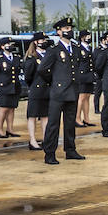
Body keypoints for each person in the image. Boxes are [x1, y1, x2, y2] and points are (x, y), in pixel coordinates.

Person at [40, 17, 86, 165]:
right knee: (53, 124)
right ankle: (50, 153)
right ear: (58, 32)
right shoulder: (54, 50)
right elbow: (42, 69)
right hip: (58, 92)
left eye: (70, 28)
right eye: (66, 29)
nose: (69, 31)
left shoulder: (76, 49)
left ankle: (70, 150)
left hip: (72, 91)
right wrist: (54, 82)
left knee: (70, 123)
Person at [0, 37, 22, 138]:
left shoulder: (16, 57)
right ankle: (0, 130)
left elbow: (18, 71)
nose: (10, 46)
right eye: (7, 44)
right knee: (3, 109)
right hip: (3, 87)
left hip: (14, 86)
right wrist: (0, 82)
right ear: (2, 46)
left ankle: (10, 129)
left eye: (11, 44)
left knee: (12, 108)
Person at [23, 33, 51, 151]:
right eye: (41, 40)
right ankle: (32, 140)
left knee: (45, 116)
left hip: (47, 89)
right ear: (35, 42)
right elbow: (28, 76)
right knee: (33, 116)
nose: (43, 42)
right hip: (36, 90)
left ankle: (46, 139)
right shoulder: (32, 57)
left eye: (44, 40)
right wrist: (33, 85)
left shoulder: (48, 55)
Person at [73, 30, 97, 128]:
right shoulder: (78, 48)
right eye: (87, 36)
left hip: (89, 75)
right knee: (81, 97)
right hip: (82, 75)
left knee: (87, 97)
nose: (89, 38)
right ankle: (77, 118)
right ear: (82, 37)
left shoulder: (88, 48)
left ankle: (86, 119)